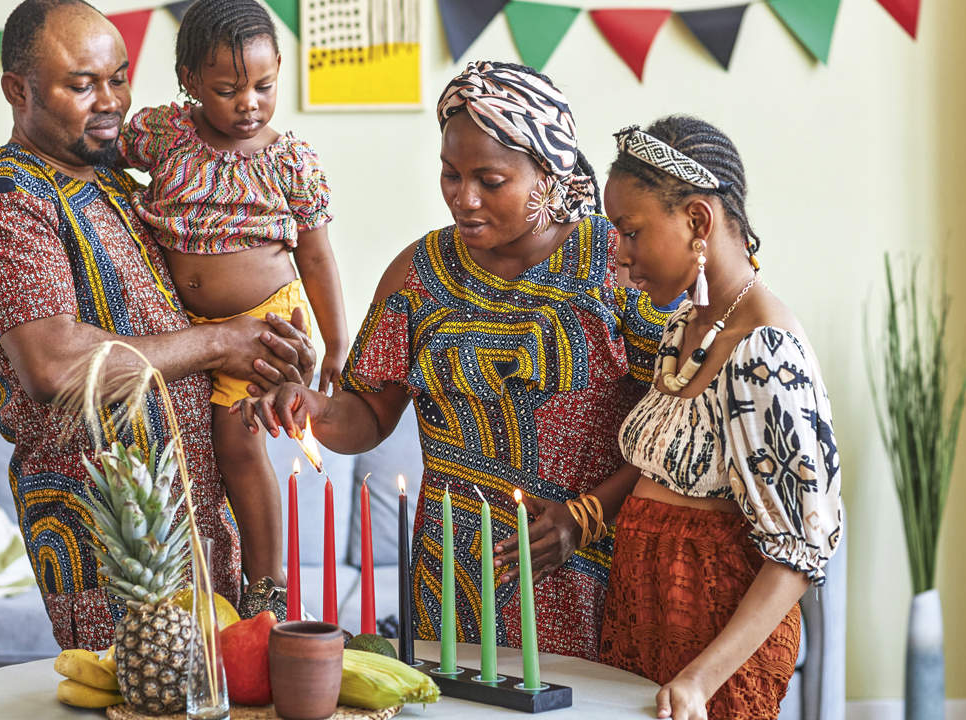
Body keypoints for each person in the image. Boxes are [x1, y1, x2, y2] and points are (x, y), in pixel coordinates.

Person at [238, 61, 668, 660]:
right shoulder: (418, 272)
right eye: (450, 174)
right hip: (451, 577)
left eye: (490, 180)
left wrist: (585, 517)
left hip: (585, 565)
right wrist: (310, 408)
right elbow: (368, 412)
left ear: (547, 173)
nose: (463, 199)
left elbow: (672, 425)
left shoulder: (617, 265)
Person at [0, 0, 314, 650]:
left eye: (119, 77)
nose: (111, 100)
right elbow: (54, 365)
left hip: (199, 526)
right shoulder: (7, 201)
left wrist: (273, 339)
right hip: (113, 547)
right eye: (83, 85)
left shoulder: (119, 178)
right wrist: (222, 342)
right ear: (17, 90)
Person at [594, 116, 844, 719]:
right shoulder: (687, 326)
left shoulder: (765, 349)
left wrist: (701, 678)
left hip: (710, 643)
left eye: (631, 232)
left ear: (698, 222)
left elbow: (801, 550)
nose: (619, 256)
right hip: (642, 614)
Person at [117, 0, 347, 592]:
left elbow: (317, 257)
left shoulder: (289, 160)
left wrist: (338, 343)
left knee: (237, 444)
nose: (249, 103)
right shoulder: (165, 133)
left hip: (265, 324)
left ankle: (267, 582)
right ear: (190, 81)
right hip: (185, 325)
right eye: (227, 89)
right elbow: (100, 153)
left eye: (265, 86)